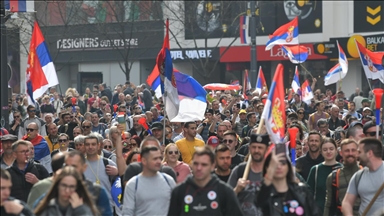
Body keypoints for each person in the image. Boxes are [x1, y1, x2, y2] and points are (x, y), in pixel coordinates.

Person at [168, 145, 243, 216]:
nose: (199, 168)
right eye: (196, 164)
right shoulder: (179, 191)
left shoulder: (225, 192)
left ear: (213, 166)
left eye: (204, 164)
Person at [256, 145, 319, 216]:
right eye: (275, 164)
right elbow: (257, 207)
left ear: (288, 166)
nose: (279, 167)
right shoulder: (262, 193)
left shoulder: (301, 191)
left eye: (283, 163)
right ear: (267, 168)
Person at [123, 145, 176, 216]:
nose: (159, 161)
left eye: (160, 158)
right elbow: (127, 212)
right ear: (144, 161)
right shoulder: (133, 184)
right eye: (155, 159)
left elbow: (178, 207)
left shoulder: (169, 181)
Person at [228, 133, 270, 216]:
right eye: (254, 147)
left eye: (260, 148)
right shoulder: (240, 170)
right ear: (249, 148)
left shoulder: (274, 172)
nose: (256, 150)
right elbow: (226, 200)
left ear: (267, 150)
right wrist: (237, 189)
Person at [342, 138, 384, 216]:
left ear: (370, 153)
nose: (357, 155)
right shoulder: (358, 176)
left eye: (360, 152)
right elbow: (347, 202)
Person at [34, 166, 99, 216]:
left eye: (71, 187)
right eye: (64, 185)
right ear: (57, 185)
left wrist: (79, 210)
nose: (67, 190)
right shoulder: (46, 208)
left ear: (77, 188)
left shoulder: (84, 209)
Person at [324, 139, 362, 216]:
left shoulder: (366, 173)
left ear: (357, 152)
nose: (350, 153)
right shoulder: (333, 177)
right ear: (341, 153)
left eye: (353, 150)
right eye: (347, 151)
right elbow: (329, 205)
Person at [306, 138, 342, 214]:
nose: (328, 152)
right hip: (319, 212)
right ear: (321, 152)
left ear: (336, 150)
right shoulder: (315, 170)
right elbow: (308, 193)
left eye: (331, 149)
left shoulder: (342, 169)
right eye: (325, 149)